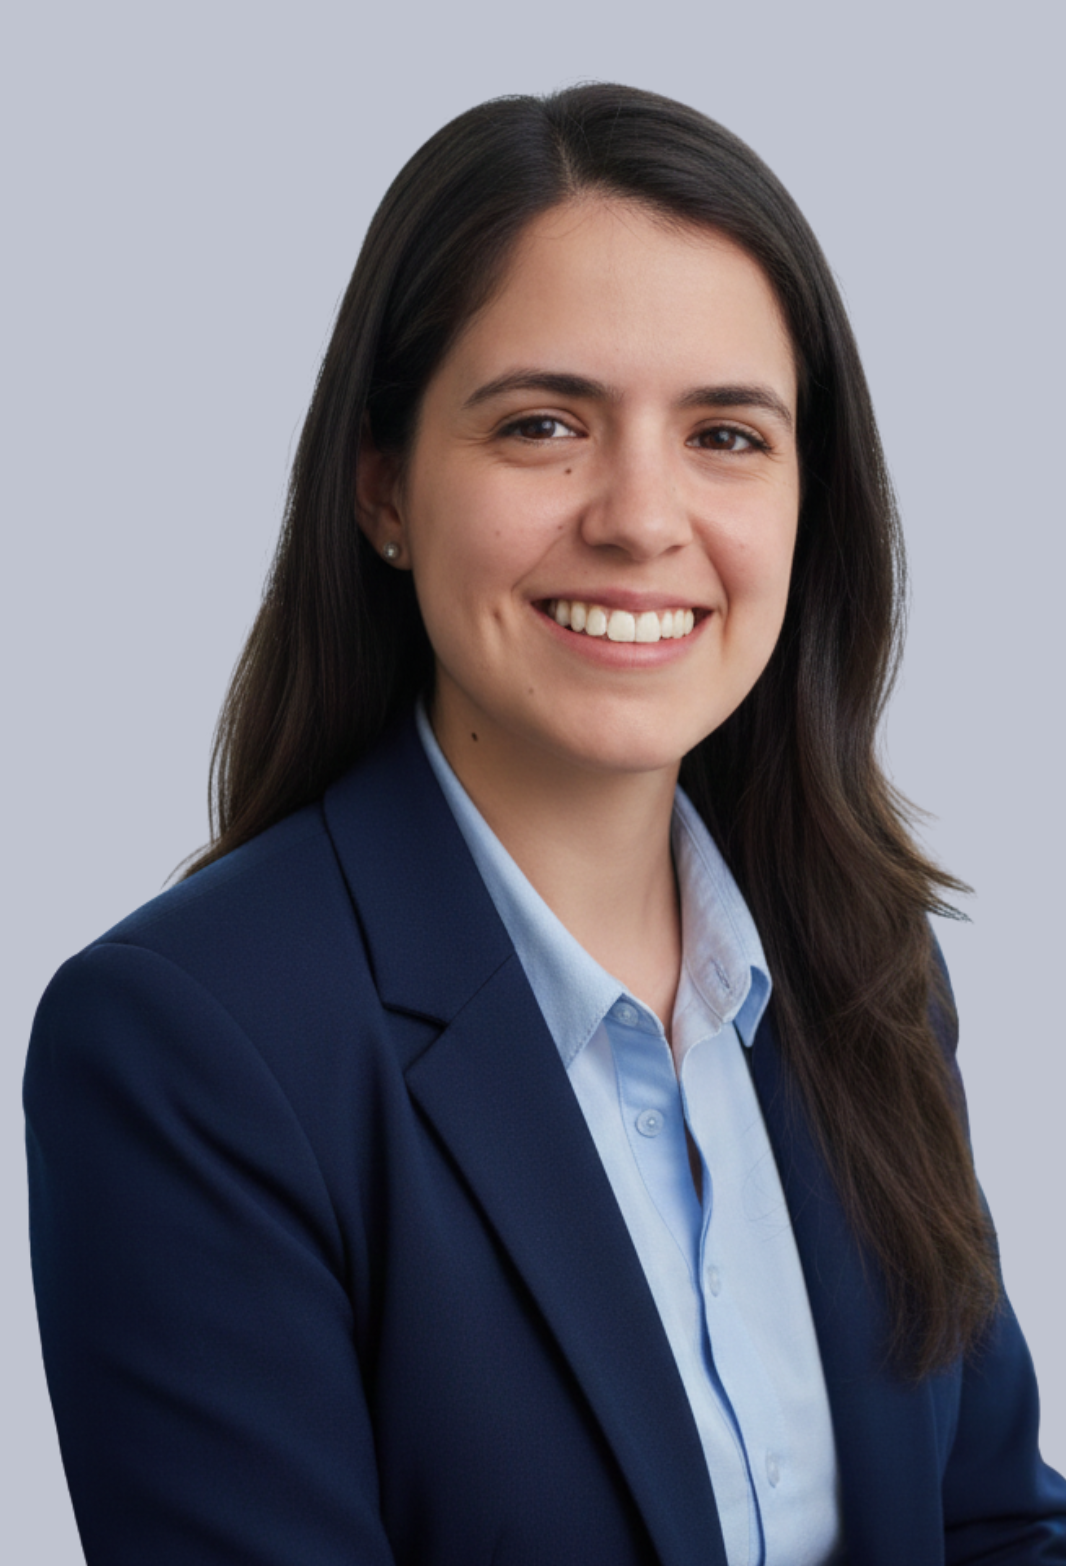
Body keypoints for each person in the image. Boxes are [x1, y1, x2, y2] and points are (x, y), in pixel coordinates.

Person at [24, 82, 1066, 1566]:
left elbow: (988, 1529)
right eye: (542, 425)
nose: (642, 517)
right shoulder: (190, 1047)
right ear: (382, 488)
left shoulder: (863, 972)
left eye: (725, 435)